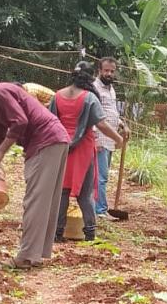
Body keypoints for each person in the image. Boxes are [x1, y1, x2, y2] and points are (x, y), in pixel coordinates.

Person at [0, 71, 69, 269]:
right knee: (45, 200)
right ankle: (35, 254)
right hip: (56, 139)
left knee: (35, 201)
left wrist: (1, 152)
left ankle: (26, 256)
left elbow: (20, 122)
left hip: (45, 142)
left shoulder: (0, 93)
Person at [50, 62, 123, 242]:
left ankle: (57, 233)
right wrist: (118, 138)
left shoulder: (58, 96)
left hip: (62, 147)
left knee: (62, 191)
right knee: (85, 193)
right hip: (83, 149)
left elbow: (50, 121)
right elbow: (101, 124)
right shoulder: (89, 97)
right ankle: (90, 233)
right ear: (90, 78)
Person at [93, 57, 129, 220]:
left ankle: (98, 208)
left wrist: (122, 124)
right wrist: (95, 138)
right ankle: (100, 210)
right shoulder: (94, 88)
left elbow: (111, 111)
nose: (109, 74)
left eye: (112, 71)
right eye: (106, 70)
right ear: (99, 70)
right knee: (101, 176)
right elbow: (93, 113)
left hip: (110, 138)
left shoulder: (111, 89)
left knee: (102, 175)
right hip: (100, 137)